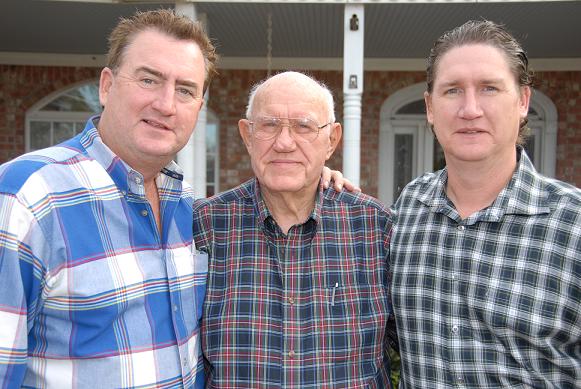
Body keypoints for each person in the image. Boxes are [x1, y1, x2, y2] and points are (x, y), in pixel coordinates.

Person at [0, 9, 217, 387]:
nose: (166, 104)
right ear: (106, 86)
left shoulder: (186, 205)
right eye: (149, 80)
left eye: (185, 90)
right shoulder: (29, 195)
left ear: (198, 108)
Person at [389, 20, 581, 387]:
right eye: (452, 91)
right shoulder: (408, 210)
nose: (470, 109)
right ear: (430, 107)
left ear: (523, 101)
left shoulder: (573, 224)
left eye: (489, 88)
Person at [193, 71, 397, 388]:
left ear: (332, 140)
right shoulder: (203, 227)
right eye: (269, 125)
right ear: (247, 135)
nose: (284, 143)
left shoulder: (376, 229)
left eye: (304, 127)